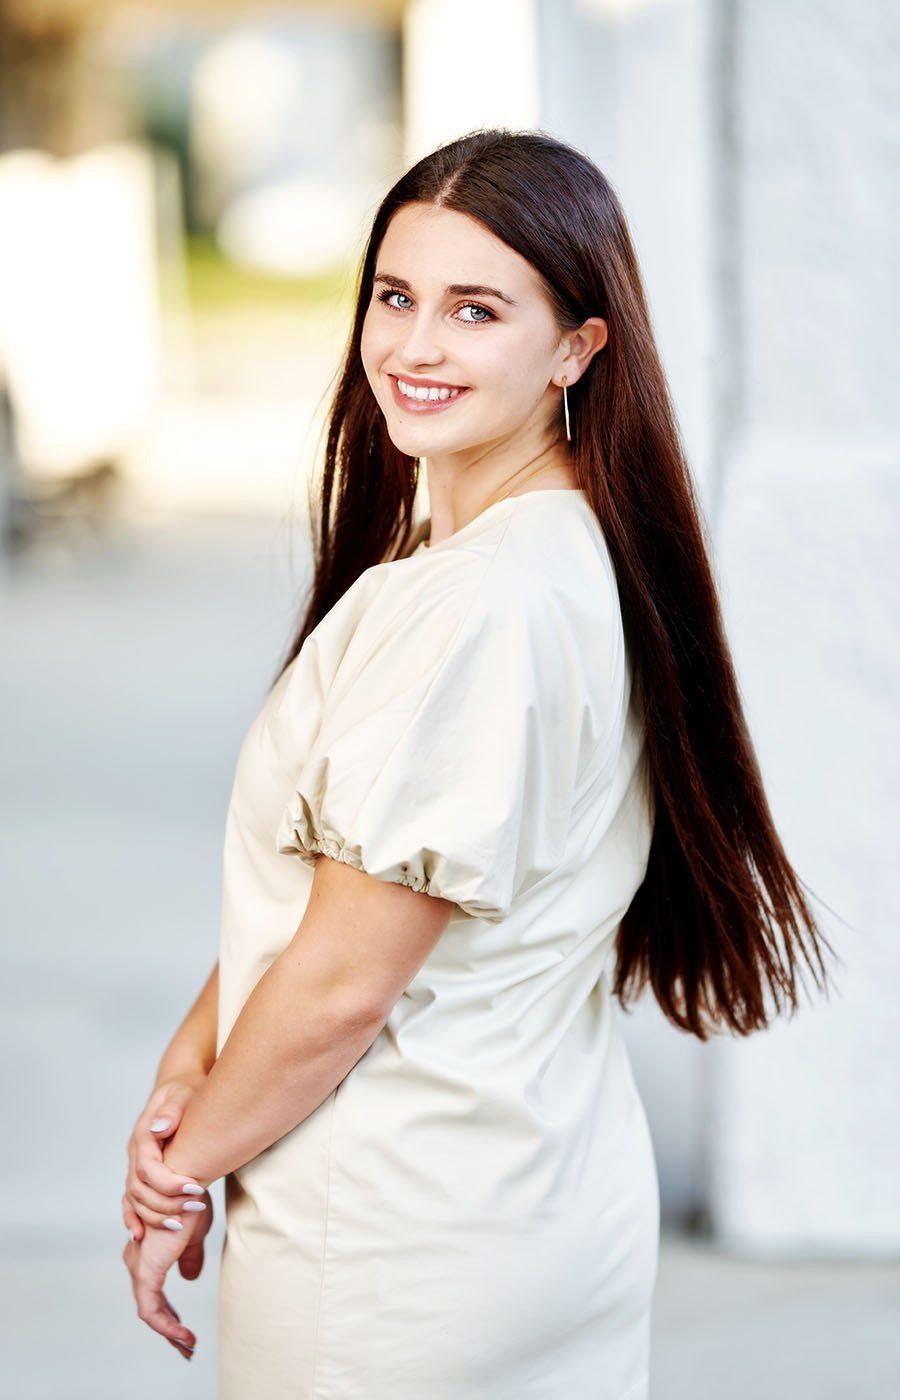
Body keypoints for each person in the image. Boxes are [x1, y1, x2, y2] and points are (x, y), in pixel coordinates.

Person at [120, 128, 835, 1398]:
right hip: (531, 1195)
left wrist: (179, 1168)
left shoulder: (479, 607)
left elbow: (343, 978)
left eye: (476, 308)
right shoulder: (561, 559)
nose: (415, 345)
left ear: (578, 346)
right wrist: (187, 1075)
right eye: (395, 297)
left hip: (398, 1244)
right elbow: (311, 903)